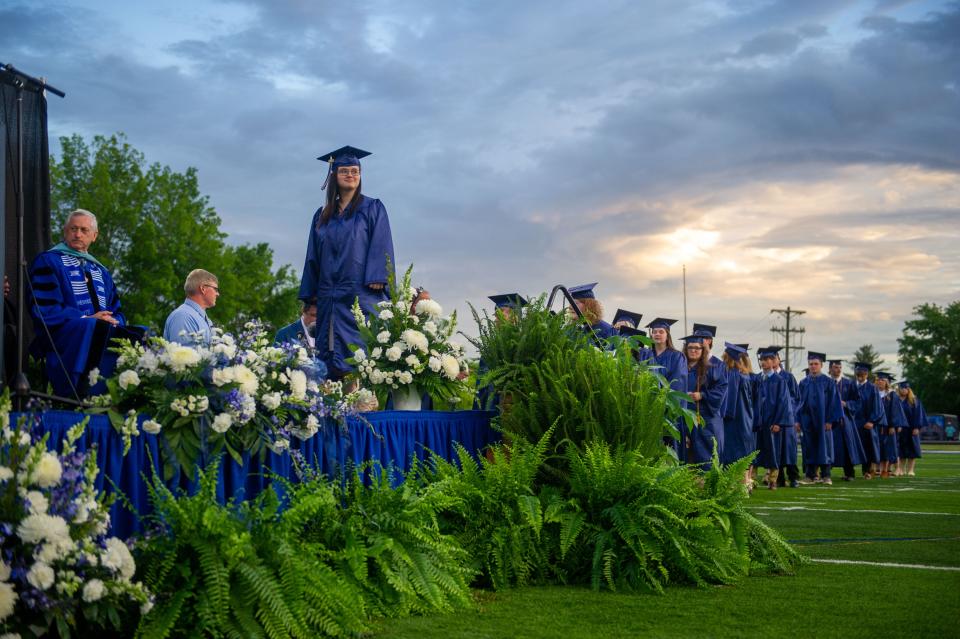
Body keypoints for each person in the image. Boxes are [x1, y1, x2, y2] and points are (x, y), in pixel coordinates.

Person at [299, 146, 395, 381]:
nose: (350, 175)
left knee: (359, 356)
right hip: (329, 296)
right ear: (334, 175)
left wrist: (378, 275)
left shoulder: (372, 208)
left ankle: (362, 408)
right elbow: (313, 254)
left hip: (359, 295)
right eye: (344, 171)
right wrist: (311, 294)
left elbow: (382, 242)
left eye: (355, 171)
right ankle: (334, 408)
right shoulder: (322, 215)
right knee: (329, 357)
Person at [28, 209, 144, 398]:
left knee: (140, 332)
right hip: (65, 338)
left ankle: (120, 396)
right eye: (73, 229)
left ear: (94, 236)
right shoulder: (48, 262)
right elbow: (45, 309)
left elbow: (117, 310)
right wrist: (86, 318)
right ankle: (80, 394)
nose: (78, 234)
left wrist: (114, 321)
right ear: (65, 231)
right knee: (92, 325)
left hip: (100, 334)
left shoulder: (101, 271)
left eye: (84, 230)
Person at [640, 317, 688, 457]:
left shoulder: (677, 357)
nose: (657, 334)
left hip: (668, 410)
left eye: (661, 331)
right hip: (647, 408)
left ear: (667, 335)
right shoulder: (645, 354)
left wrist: (662, 400)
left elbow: (677, 384)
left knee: (669, 447)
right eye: (654, 331)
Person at [796, 352, 843, 486]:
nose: (813, 366)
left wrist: (830, 420)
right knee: (809, 447)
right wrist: (797, 420)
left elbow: (834, 403)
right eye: (811, 364)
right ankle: (810, 475)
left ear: (821, 365)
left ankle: (826, 475)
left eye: (816, 364)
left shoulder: (828, 382)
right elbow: (798, 403)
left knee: (825, 447)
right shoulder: (803, 383)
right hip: (807, 421)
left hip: (823, 421)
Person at [475, 293, 527, 410]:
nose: (496, 317)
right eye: (496, 313)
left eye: (502, 311)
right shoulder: (491, 346)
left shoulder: (523, 343)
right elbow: (480, 381)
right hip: (488, 406)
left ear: (515, 316)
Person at [683, 334, 728, 467]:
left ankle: (706, 484)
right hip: (684, 417)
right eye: (690, 347)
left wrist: (702, 395)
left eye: (698, 348)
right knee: (685, 453)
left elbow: (721, 388)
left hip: (705, 418)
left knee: (706, 453)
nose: (694, 350)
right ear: (686, 349)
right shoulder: (681, 367)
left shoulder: (712, 368)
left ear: (703, 350)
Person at [754, 346, 794, 490]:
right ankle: (752, 480)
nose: (763, 362)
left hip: (772, 423)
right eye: (762, 360)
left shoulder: (779, 380)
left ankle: (772, 480)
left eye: (766, 360)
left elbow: (783, 403)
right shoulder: (757, 379)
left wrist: (778, 422)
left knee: (773, 452)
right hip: (758, 423)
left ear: (773, 361)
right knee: (756, 451)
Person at [720, 343, 754, 485]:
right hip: (746, 418)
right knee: (744, 453)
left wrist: (724, 415)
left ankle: (740, 485)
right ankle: (746, 482)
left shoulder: (733, 375)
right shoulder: (744, 375)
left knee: (734, 454)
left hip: (734, 420)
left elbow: (731, 400)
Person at [827, 358, 866, 481]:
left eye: (839, 367)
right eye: (835, 367)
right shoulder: (826, 383)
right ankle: (825, 474)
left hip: (845, 421)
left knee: (846, 445)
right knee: (828, 446)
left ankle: (849, 473)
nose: (838, 369)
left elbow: (858, 401)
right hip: (829, 421)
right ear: (829, 369)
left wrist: (847, 404)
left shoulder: (849, 383)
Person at [164, 269, 219, 347]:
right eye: (215, 289)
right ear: (203, 288)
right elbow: (184, 358)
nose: (217, 294)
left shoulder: (205, 320)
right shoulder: (183, 316)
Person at [851, 362, 886, 479]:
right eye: (859, 373)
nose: (861, 375)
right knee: (851, 447)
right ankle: (849, 472)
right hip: (852, 423)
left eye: (863, 373)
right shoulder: (851, 386)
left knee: (867, 447)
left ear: (867, 374)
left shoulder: (872, 388)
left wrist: (872, 421)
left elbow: (878, 407)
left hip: (866, 423)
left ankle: (867, 471)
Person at [875, 372, 906, 479]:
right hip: (876, 426)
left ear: (887, 382)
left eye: (882, 380)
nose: (880, 382)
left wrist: (893, 425)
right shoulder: (874, 393)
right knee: (876, 447)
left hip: (888, 427)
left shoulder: (891, 395)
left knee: (888, 448)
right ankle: (875, 470)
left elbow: (895, 411)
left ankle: (885, 470)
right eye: (878, 380)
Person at [897, 380, 927, 476]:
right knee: (900, 451)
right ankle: (901, 469)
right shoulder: (895, 400)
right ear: (899, 389)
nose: (904, 390)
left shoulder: (914, 400)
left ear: (908, 389)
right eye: (902, 388)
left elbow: (918, 415)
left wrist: (916, 427)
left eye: (906, 388)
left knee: (912, 450)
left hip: (911, 429)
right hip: (900, 429)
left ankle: (910, 470)